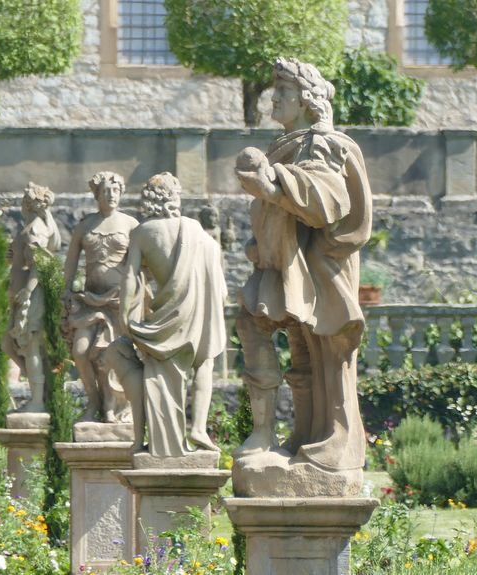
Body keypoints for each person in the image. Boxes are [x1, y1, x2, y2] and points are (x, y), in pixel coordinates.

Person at [233, 58, 373, 474]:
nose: (274, 98)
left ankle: (337, 441)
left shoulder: (322, 142)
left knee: (330, 355)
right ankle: (307, 434)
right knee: (302, 351)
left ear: (308, 101)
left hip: (321, 267)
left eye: (284, 92)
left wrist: (272, 185)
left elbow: (326, 200)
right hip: (291, 264)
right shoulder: (292, 142)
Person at [105, 172, 227, 456]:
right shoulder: (196, 229)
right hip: (197, 308)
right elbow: (216, 275)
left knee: (160, 370)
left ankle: (157, 439)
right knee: (204, 362)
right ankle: (197, 428)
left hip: (164, 318)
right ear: (175, 198)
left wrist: (125, 319)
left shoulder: (143, 233)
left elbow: (130, 279)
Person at [63, 171, 138, 423]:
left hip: (119, 301)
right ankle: (94, 401)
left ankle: (114, 405)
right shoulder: (85, 225)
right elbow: (71, 261)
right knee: (81, 352)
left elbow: (143, 262)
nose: (111, 195)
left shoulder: (130, 224)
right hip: (90, 301)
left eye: (115, 191)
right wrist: (66, 291)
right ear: (97, 194)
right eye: (106, 191)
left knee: (113, 356)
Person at [3, 182, 61, 412]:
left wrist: (27, 290)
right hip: (21, 294)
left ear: (29, 204)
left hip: (31, 295)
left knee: (31, 346)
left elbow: (41, 262)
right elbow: (25, 258)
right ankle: (39, 390)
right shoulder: (30, 228)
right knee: (10, 344)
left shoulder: (36, 228)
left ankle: (38, 400)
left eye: (25, 201)